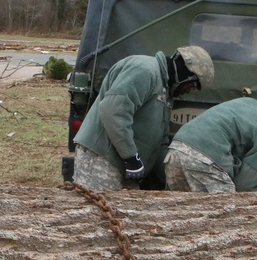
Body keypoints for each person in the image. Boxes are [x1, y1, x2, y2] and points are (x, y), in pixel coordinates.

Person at [72, 46, 214, 191]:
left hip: (126, 167)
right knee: (98, 211)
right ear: (185, 74)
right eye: (192, 85)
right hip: (101, 159)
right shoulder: (144, 70)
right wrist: (131, 157)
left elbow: (160, 143)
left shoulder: (165, 91)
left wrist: (174, 177)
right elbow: (113, 111)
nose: (188, 91)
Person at [165, 98, 257, 192]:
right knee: (228, 214)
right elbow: (245, 186)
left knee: (179, 212)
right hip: (202, 159)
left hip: (176, 149)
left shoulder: (255, 105)